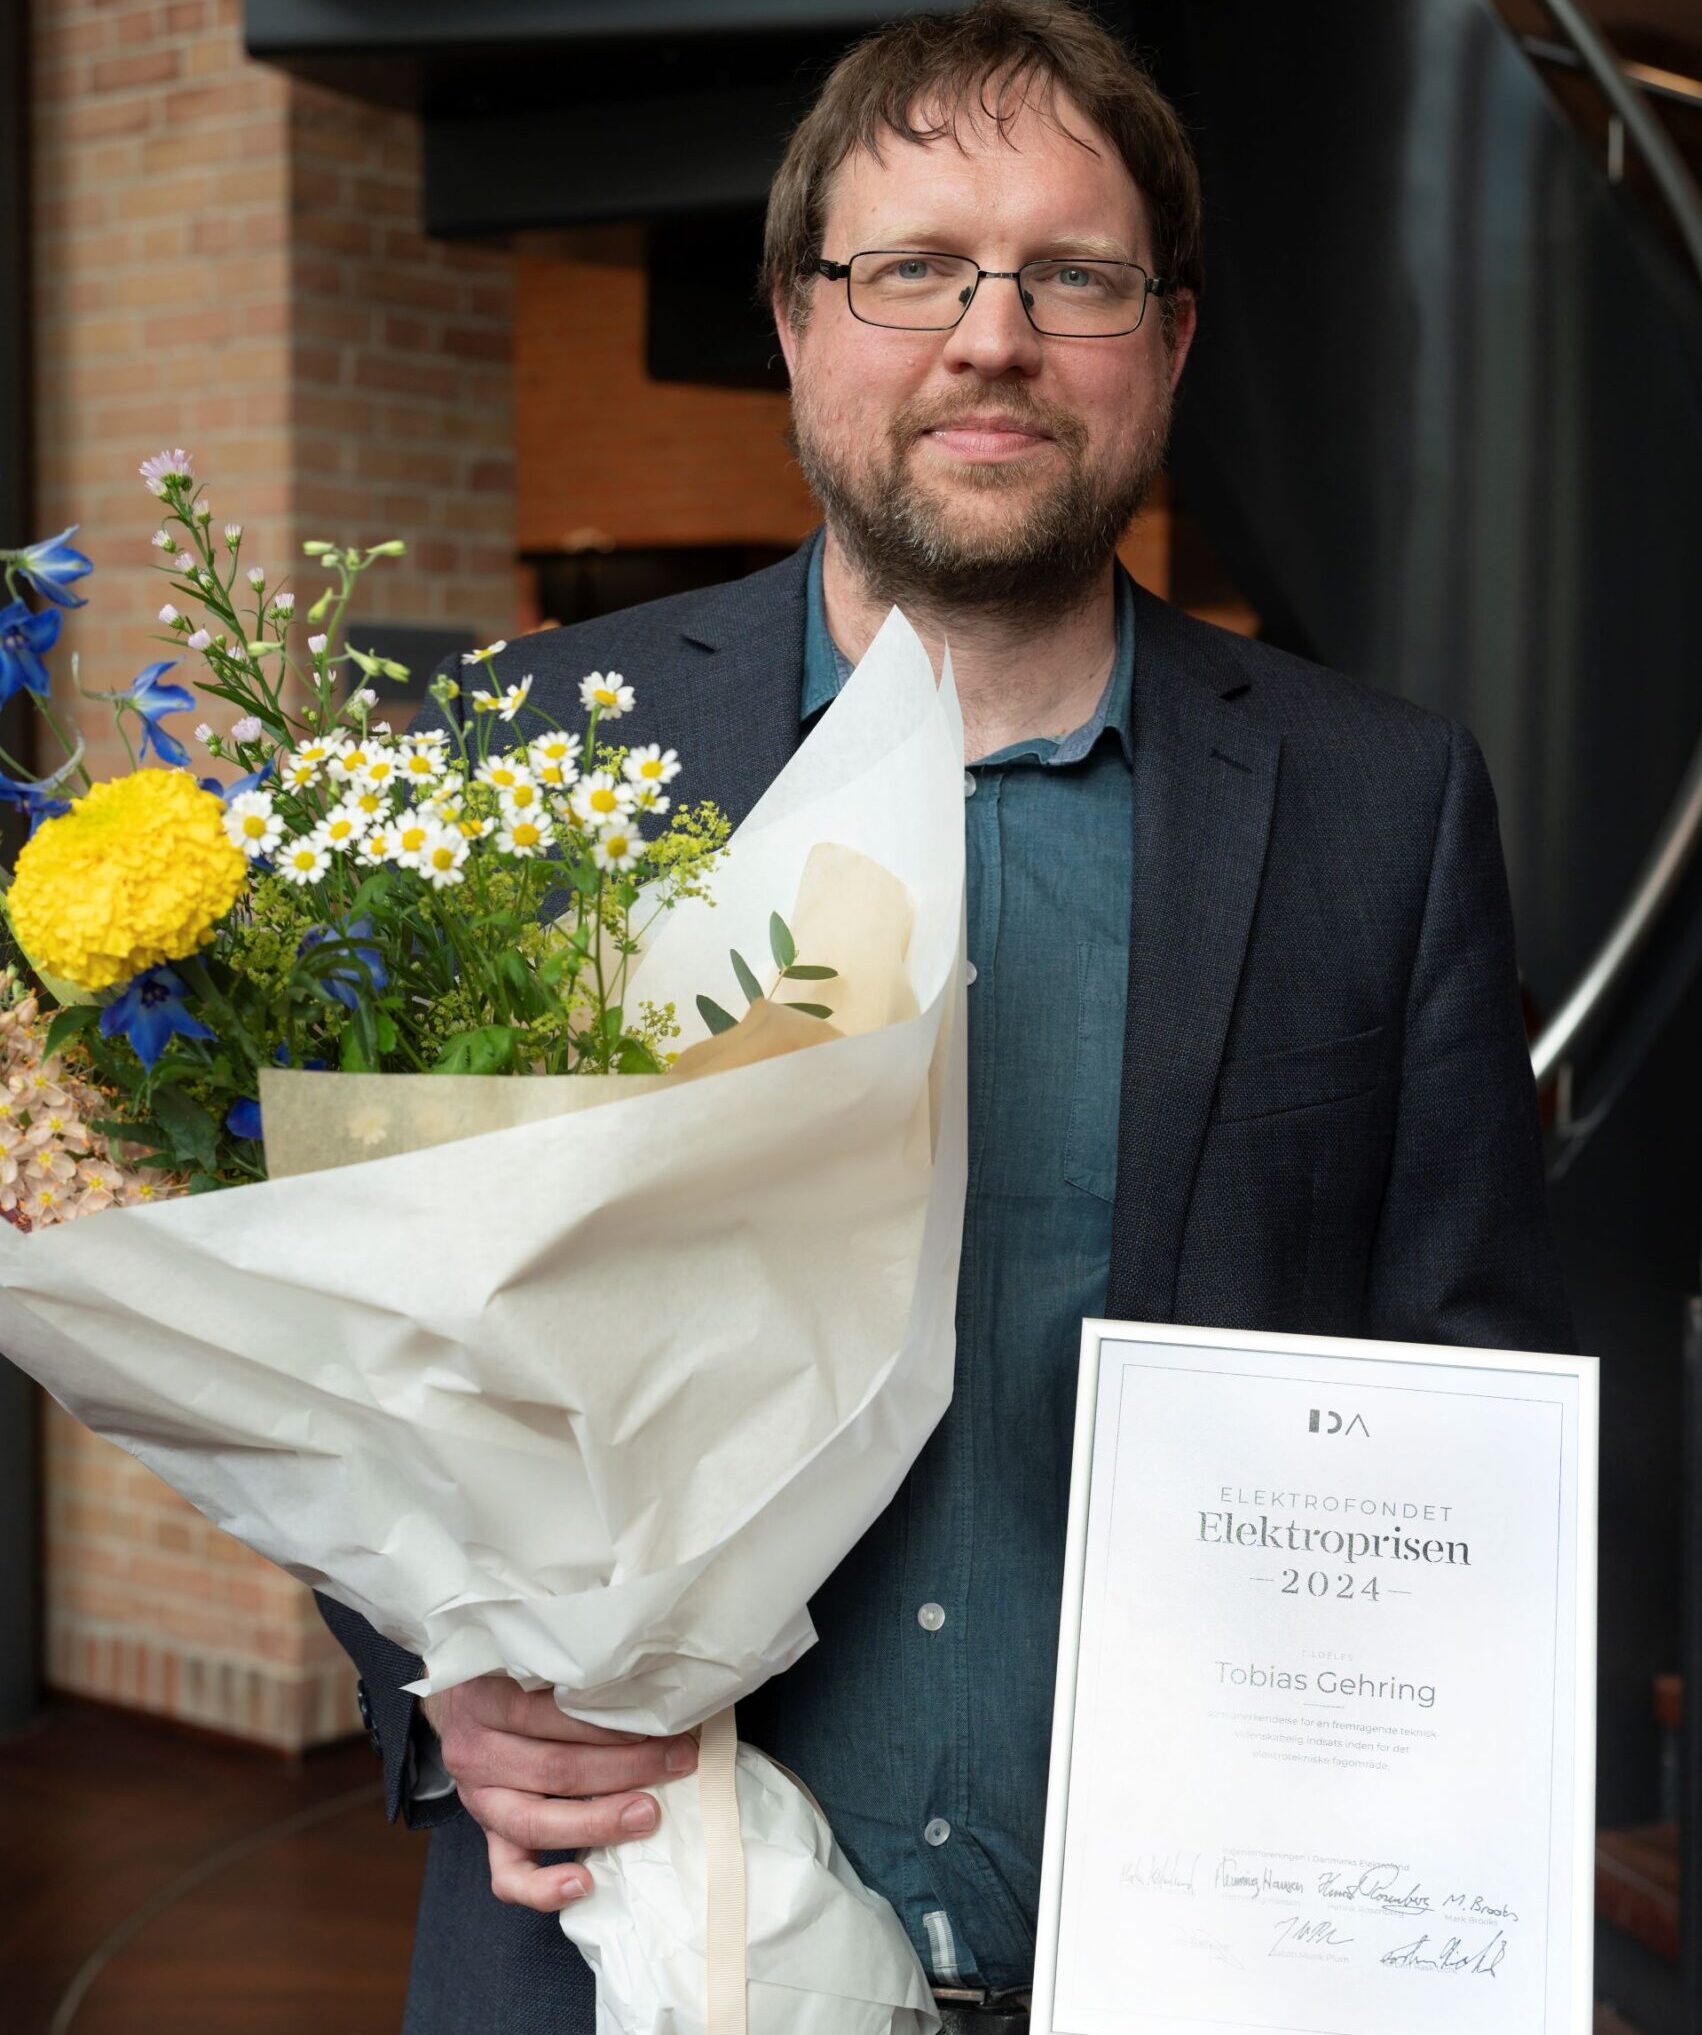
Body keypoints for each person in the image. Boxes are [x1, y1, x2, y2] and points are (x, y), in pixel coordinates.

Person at [317, 5, 1574, 2030]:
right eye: (911, 268)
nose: (989, 337)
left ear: (1163, 345)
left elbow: (1465, 1398)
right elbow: (356, 1337)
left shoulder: (1379, 805)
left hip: (1193, 1971)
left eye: (1070, 275)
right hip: (628, 1955)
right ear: (797, 325)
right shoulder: (541, 752)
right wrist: (433, 1682)